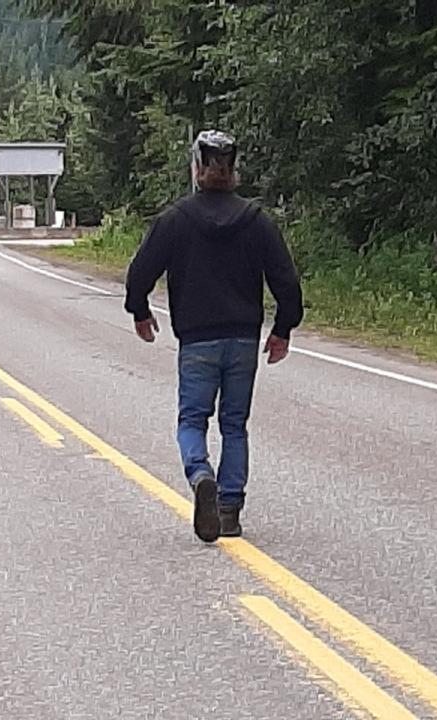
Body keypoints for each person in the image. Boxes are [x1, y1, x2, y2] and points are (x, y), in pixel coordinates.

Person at [124, 130, 304, 543]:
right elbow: (286, 282)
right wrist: (282, 329)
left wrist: (140, 310)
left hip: (197, 341)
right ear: (233, 170)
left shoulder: (175, 220)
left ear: (197, 169)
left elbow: (140, 272)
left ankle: (200, 472)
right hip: (242, 340)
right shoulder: (257, 222)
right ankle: (229, 508)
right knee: (235, 423)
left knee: (192, 420)